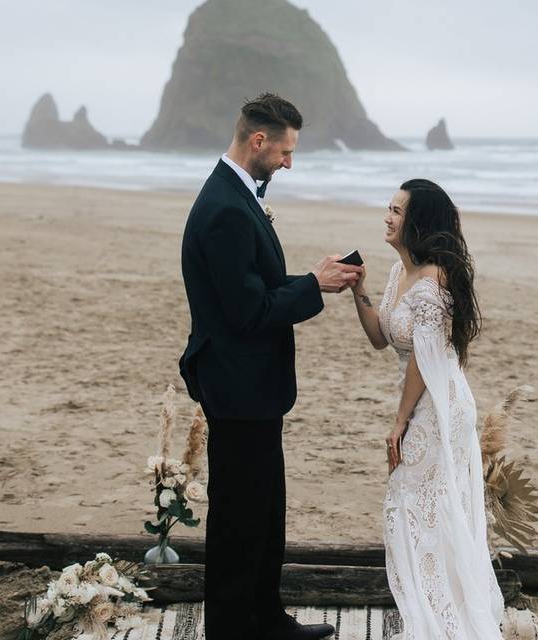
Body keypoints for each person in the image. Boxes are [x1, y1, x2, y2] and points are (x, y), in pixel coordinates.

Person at [178, 93, 361, 640]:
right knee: (239, 517)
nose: (288, 162)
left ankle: (266, 618)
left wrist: (309, 277)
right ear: (258, 141)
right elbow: (247, 312)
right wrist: (315, 288)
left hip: (250, 384)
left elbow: (253, 288)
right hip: (237, 385)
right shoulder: (227, 210)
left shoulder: (236, 195)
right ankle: (235, 628)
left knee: (265, 509)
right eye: (284, 151)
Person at [349, 179, 504, 639]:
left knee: (415, 508)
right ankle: (431, 611)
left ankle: (440, 620)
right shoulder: (402, 272)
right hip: (420, 400)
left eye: (397, 210)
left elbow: (424, 357)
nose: (388, 217)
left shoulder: (434, 279)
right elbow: (382, 337)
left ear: (418, 221)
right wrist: (360, 289)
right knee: (418, 509)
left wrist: (400, 422)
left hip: (439, 406)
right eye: (389, 207)